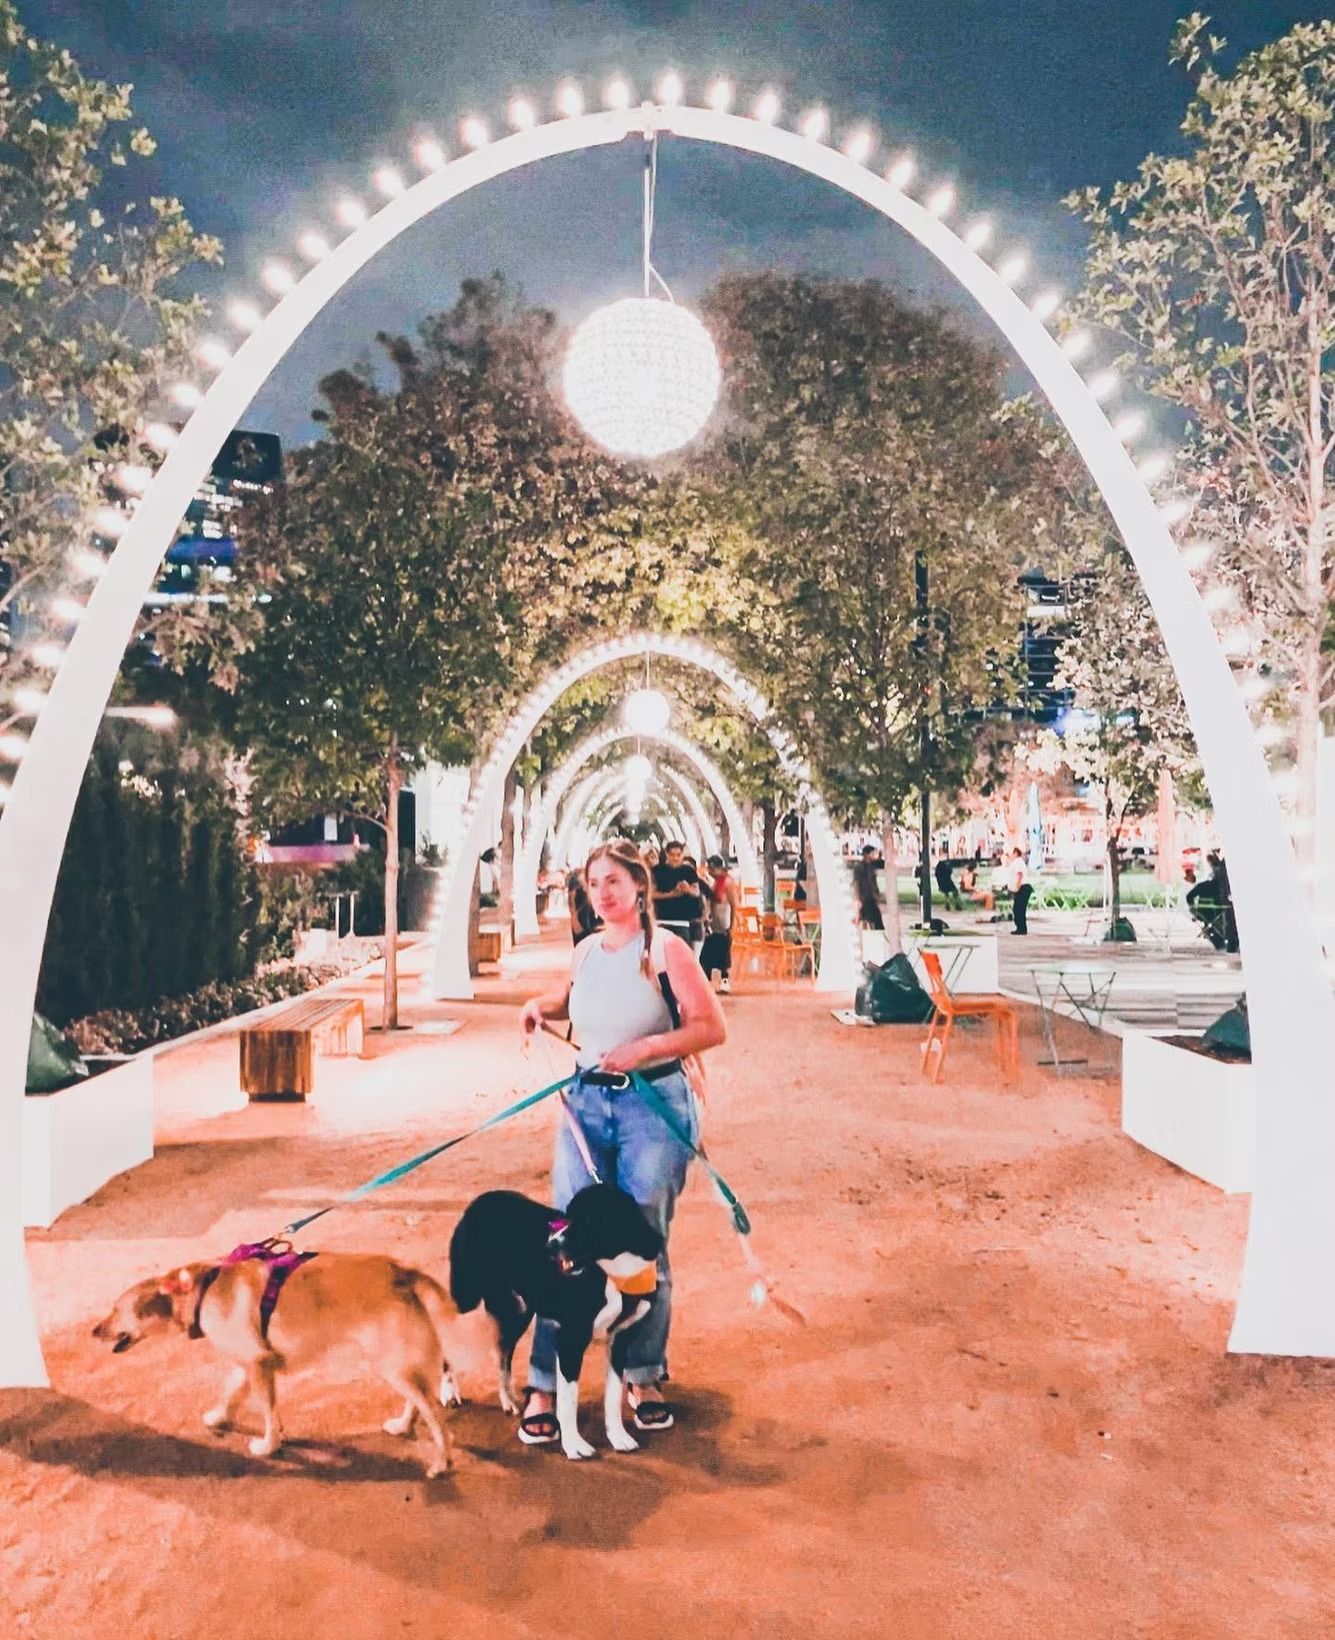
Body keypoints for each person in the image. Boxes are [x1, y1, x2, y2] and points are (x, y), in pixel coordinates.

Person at [518, 840, 726, 1443]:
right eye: (594, 883)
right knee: (565, 1239)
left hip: (651, 1107)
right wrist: (538, 1006)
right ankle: (545, 1381)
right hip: (585, 1103)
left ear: (639, 884)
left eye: (614, 881)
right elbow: (570, 1001)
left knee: (642, 1241)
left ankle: (642, 1373)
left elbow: (711, 1027)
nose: (603, 893)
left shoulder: (665, 950)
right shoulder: (586, 950)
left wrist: (645, 1049)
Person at [700, 853, 740, 993]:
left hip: (724, 922)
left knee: (723, 955)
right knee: (708, 954)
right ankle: (707, 982)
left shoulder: (727, 882)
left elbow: (734, 904)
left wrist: (732, 925)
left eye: (711, 869)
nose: (710, 872)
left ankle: (724, 981)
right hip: (714, 923)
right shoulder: (715, 882)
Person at [652, 840, 704, 946]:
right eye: (672, 855)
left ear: (682, 854)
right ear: (667, 854)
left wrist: (687, 889)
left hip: (682, 921)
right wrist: (670, 894)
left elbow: (696, 892)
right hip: (661, 920)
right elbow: (651, 894)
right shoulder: (657, 871)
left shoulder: (689, 871)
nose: (675, 858)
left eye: (678, 855)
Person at [565, 865, 601, 946]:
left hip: (587, 916)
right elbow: (571, 900)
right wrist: (574, 919)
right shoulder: (578, 878)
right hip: (581, 918)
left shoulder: (589, 876)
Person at [853, 845, 884, 930]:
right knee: (873, 920)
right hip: (866, 897)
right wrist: (858, 898)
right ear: (867, 855)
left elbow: (882, 864)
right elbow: (857, 883)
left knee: (872, 919)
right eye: (872, 853)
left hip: (870, 897)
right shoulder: (861, 867)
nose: (874, 855)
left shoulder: (871, 865)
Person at [1006, 847, 1032, 935]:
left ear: (1015, 853)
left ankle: (1021, 928)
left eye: (1010, 854)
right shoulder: (1018, 862)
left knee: (1019, 909)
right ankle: (1021, 928)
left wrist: (1017, 887)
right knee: (1018, 909)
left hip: (1022, 887)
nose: (1009, 856)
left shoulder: (1017, 862)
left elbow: (1019, 874)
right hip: (1022, 887)